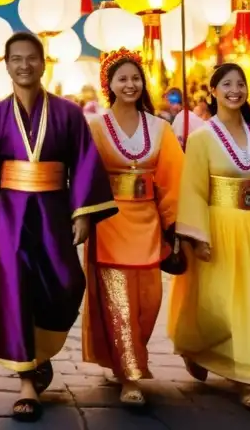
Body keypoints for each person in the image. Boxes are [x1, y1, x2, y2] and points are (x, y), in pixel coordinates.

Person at [0, 32, 116, 422]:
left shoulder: (68, 113)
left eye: (31, 58)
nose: (24, 65)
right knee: (15, 289)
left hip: (54, 209)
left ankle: (41, 350)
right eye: (16, 59)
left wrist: (82, 213)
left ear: (43, 63)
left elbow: (82, 163)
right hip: (10, 213)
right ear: (6, 65)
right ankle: (26, 379)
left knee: (67, 281)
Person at [167, 62, 250, 412]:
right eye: (226, 84)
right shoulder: (201, 137)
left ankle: (249, 376)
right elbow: (192, 189)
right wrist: (196, 235)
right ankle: (198, 346)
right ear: (213, 91)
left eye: (240, 84)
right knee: (215, 303)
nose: (234, 90)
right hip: (217, 228)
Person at [82, 49, 184, 407]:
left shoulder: (161, 128)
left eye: (135, 78)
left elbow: (173, 180)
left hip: (148, 224)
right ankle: (131, 375)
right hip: (109, 224)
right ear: (108, 84)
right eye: (122, 78)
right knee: (118, 302)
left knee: (148, 301)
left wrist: (173, 223)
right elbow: (84, 178)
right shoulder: (94, 127)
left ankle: (127, 356)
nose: (130, 84)